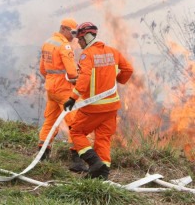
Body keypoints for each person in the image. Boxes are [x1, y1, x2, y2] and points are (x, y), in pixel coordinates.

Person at [64, 22, 133, 180]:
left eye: (80, 40)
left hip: (92, 108)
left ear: (86, 37)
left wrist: (72, 98)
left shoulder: (87, 55)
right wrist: (117, 79)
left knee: (76, 132)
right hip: (111, 107)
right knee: (103, 139)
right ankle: (102, 175)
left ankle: (93, 161)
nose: (79, 44)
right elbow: (128, 70)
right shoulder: (113, 52)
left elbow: (84, 79)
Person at [38, 18, 87, 173]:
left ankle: (42, 155)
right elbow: (72, 72)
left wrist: (53, 79)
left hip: (51, 89)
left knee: (50, 121)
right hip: (64, 91)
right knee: (75, 124)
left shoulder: (47, 42)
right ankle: (77, 161)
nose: (74, 36)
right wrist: (81, 77)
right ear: (64, 29)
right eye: (72, 32)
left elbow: (42, 70)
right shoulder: (65, 46)